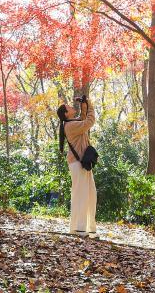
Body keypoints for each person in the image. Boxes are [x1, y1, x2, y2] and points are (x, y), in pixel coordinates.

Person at [58, 95, 97, 237]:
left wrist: (84, 105)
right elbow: (89, 121)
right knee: (81, 195)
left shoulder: (72, 122)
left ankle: (89, 229)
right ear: (65, 114)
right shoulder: (70, 126)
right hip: (77, 163)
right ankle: (79, 229)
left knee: (90, 194)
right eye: (68, 107)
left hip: (83, 163)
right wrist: (91, 105)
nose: (70, 106)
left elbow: (82, 118)